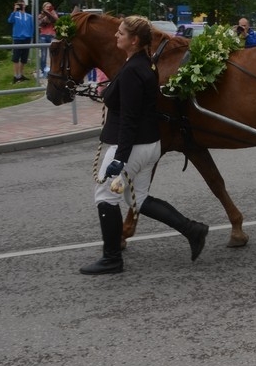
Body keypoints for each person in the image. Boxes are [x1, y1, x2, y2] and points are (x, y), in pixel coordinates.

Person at [80, 15, 210, 275]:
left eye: (121, 33)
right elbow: (131, 100)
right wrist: (106, 92)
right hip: (149, 143)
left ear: (134, 40)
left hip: (130, 145)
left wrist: (120, 158)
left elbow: (129, 118)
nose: (116, 36)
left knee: (105, 196)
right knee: (138, 198)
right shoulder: (143, 64)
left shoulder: (132, 71)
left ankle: (111, 258)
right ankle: (193, 230)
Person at [7, 0, 34, 83]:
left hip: (27, 38)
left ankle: (21, 74)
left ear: (25, 5)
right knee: (16, 58)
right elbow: (10, 21)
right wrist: (14, 10)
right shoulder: (15, 15)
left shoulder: (29, 16)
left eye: (22, 4)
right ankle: (16, 75)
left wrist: (31, 36)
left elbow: (32, 27)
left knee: (24, 58)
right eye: (19, 4)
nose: (21, 5)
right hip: (17, 38)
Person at [37, 2, 58, 78]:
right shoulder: (40, 16)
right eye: (47, 7)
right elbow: (41, 23)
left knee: (53, 55)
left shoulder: (54, 13)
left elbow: (57, 21)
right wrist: (47, 15)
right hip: (43, 36)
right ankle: (43, 71)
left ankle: (53, 71)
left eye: (50, 7)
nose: (48, 8)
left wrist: (52, 13)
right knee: (43, 54)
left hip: (52, 35)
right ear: (43, 8)